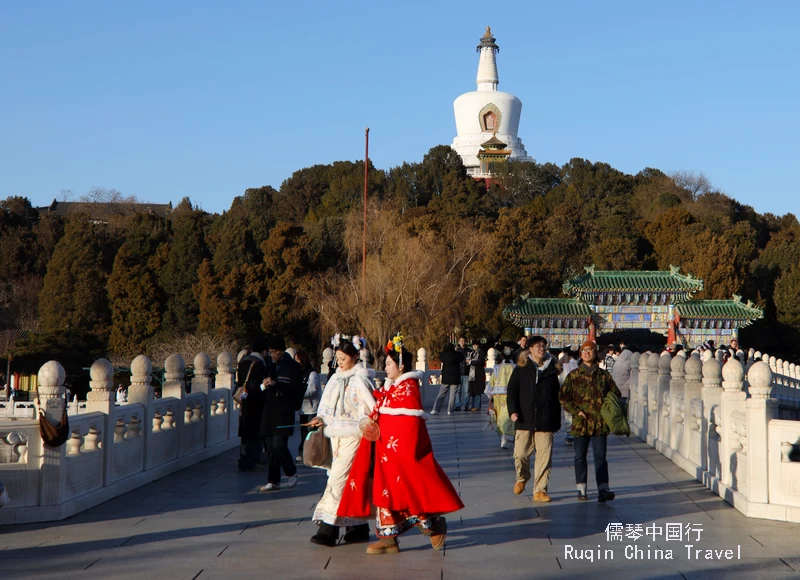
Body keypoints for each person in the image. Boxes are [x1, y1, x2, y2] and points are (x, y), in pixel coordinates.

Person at [338, 336, 464, 555]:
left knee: (408, 492)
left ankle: (434, 525)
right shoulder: (393, 388)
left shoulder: (407, 390)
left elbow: (407, 427)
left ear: (402, 365)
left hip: (400, 456)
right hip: (385, 453)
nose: (385, 368)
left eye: (389, 364)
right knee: (384, 495)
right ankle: (388, 538)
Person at [308, 339, 377, 547]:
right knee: (347, 480)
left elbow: (369, 409)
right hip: (336, 437)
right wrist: (320, 418)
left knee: (337, 479)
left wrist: (364, 423)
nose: (339, 363)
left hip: (354, 437)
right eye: (337, 359)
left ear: (355, 357)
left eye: (343, 359)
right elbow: (326, 405)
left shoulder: (360, 379)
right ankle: (357, 526)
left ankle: (328, 528)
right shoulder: (336, 379)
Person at [560, 340, 622, 502]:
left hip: (600, 423)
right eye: (584, 350)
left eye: (590, 350)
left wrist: (608, 410)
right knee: (580, 456)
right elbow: (563, 397)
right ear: (580, 355)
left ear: (595, 353)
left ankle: (603, 489)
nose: (587, 353)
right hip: (581, 423)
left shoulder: (604, 376)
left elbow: (616, 394)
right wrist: (576, 411)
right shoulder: (574, 375)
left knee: (600, 456)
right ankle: (581, 489)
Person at [507, 336, 561, 501]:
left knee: (544, 456)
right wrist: (513, 411)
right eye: (537, 346)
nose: (541, 348)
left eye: (543, 345)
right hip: (525, 417)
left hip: (545, 419)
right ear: (529, 349)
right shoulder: (521, 368)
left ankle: (540, 490)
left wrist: (556, 421)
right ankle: (522, 477)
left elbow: (556, 397)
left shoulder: (552, 370)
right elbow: (512, 391)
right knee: (520, 453)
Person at [259, 335, 302, 491]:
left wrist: (277, 384)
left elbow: (295, 389)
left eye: (275, 351)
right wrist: (264, 384)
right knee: (270, 448)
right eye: (270, 352)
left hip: (283, 411)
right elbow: (261, 385)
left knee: (279, 445)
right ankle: (273, 480)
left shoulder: (292, 367)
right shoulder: (269, 366)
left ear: (282, 350)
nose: (272, 355)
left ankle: (291, 472)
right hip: (269, 410)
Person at [236, 339, 269, 471]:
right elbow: (257, 386)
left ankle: (243, 458)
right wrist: (264, 386)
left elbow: (240, 383)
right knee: (256, 432)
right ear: (263, 351)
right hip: (256, 403)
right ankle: (252, 459)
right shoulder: (260, 364)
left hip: (244, 402)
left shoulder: (242, 362)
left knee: (245, 432)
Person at [487, 345, 516, 449]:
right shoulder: (515, 367)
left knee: (501, 417)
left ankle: (503, 437)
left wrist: (490, 395)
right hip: (512, 395)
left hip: (499, 396)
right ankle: (510, 437)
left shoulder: (498, 368)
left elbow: (492, 382)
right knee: (510, 415)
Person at [295, 350, 321, 462]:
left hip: (312, 408)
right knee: (303, 432)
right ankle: (303, 452)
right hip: (302, 409)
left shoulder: (312, 373)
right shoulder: (297, 373)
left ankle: (312, 453)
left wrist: (299, 393)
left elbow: (313, 390)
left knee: (311, 432)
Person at [431, 343, 465, 415]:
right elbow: (462, 357)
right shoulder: (457, 355)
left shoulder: (443, 355)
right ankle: (450, 410)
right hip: (455, 377)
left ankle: (435, 409)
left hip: (446, 377)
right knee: (453, 395)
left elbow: (440, 358)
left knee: (441, 394)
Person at [466, 340, 486, 412]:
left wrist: (471, 362)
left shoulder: (480, 353)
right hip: (472, 373)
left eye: (476, 345)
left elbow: (480, 362)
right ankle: (473, 405)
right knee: (472, 391)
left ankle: (477, 406)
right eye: (473, 345)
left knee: (477, 391)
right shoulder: (472, 353)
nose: (474, 346)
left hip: (478, 374)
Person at [454, 337, 470, 411]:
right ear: (459, 342)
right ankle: (458, 405)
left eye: (463, 341)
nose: (462, 342)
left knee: (466, 390)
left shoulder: (469, 350)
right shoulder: (457, 351)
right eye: (460, 341)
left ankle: (466, 405)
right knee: (458, 390)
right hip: (459, 372)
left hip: (467, 372)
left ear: (465, 342)